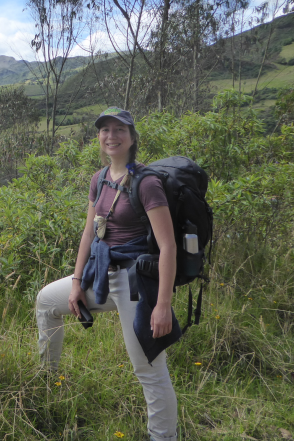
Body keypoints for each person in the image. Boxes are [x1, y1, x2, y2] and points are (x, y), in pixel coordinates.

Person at [35, 107, 179, 441]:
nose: (111, 136)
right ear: (98, 137)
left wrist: (162, 305)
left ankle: (163, 437)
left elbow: (168, 246)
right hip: (100, 273)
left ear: (132, 137)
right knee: (46, 302)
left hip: (135, 283)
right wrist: (75, 282)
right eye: (104, 130)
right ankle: (47, 382)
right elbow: (89, 234)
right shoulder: (99, 178)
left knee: (149, 368)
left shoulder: (147, 183)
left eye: (119, 130)